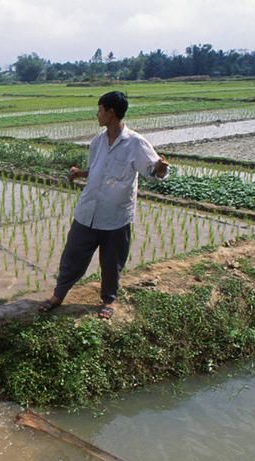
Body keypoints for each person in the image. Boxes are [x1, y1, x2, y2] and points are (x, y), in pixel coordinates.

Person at [39, 91, 169, 319]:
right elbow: (96, 170)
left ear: (111, 112)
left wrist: (160, 169)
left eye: (100, 110)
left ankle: (108, 300)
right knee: (72, 256)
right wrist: (80, 173)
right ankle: (58, 295)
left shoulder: (135, 143)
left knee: (111, 262)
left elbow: (152, 170)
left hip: (115, 215)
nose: (97, 114)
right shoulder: (97, 141)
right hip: (87, 210)